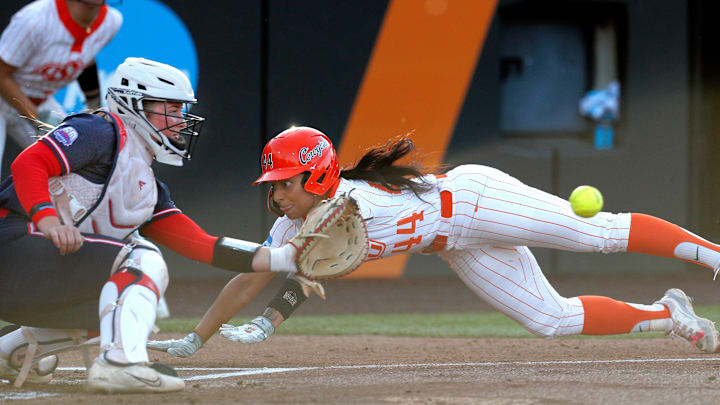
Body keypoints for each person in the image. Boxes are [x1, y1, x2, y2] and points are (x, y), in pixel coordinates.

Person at [149, 125, 720, 359]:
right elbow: (265, 273)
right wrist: (198, 339)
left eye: (284, 183)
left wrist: (273, 312)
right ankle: (670, 315)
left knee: (597, 233)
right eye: (273, 185)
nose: (276, 195)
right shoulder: (298, 225)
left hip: (474, 200)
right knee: (552, 320)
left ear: (316, 175)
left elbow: (300, 269)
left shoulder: (346, 205)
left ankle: (714, 257)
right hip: (453, 242)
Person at [0, 57, 291, 392]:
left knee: (128, 310)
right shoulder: (100, 130)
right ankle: (119, 365)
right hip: (10, 248)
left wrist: (285, 258)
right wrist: (49, 220)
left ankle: (11, 351)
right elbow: (30, 162)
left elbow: (202, 245)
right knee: (141, 258)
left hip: (25, 277)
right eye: (172, 109)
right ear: (134, 105)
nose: (181, 121)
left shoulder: (147, 184)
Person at [0, 0, 122, 179]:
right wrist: (38, 118)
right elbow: (2, 74)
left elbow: (86, 58)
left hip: (40, 100)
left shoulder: (111, 21)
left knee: (76, 172)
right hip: (6, 95)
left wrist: (94, 107)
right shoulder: (35, 19)